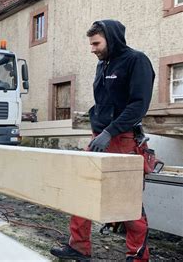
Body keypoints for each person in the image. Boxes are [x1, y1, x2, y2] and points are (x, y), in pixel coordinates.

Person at [50, 20, 155, 261]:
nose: (92, 48)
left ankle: (138, 256)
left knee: (126, 199)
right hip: (100, 137)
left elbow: (139, 105)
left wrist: (110, 131)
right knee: (81, 189)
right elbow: (103, 101)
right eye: (91, 44)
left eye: (96, 43)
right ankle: (78, 247)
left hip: (123, 138)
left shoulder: (136, 61)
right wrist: (97, 123)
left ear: (112, 39)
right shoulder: (103, 65)